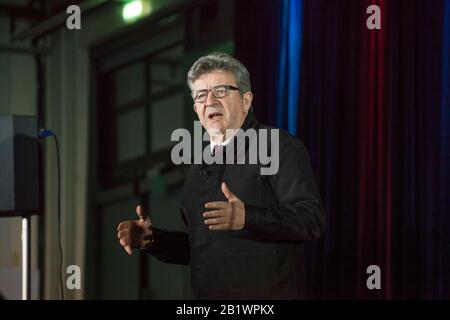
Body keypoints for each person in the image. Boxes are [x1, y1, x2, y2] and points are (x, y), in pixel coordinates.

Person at [117, 52, 325, 299]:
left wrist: (249, 217)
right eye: (201, 95)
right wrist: (153, 240)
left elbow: (310, 219)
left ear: (246, 100)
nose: (210, 101)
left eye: (222, 91)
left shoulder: (277, 146)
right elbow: (196, 247)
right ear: (196, 109)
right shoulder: (197, 169)